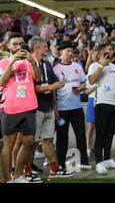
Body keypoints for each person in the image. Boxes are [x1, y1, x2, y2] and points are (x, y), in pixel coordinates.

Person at [29, 36, 73, 178]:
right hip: (35, 108)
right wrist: (51, 86)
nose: (47, 49)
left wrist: (54, 106)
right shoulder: (28, 64)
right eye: (44, 47)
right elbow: (33, 88)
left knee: (47, 140)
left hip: (48, 107)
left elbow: (54, 85)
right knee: (31, 142)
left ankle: (55, 169)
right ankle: (26, 171)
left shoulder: (47, 63)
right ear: (36, 48)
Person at [0, 33, 41, 182]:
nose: (18, 47)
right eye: (15, 44)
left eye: (21, 43)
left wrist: (34, 63)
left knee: (29, 142)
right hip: (11, 107)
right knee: (8, 144)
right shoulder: (4, 62)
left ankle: (17, 176)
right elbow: (2, 82)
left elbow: (37, 79)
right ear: (8, 46)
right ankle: (6, 179)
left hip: (29, 105)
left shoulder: (31, 61)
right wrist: (12, 62)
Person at [53, 41, 91, 172]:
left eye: (71, 51)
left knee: (81, 135)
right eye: (67, 51)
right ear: (60, 53)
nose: (70, 53)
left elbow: (84, 83)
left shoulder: (78, 67)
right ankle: (61, 164)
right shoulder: (56, 69)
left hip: (77, 108)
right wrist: (55, 109)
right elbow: (52, 90)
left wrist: (81, 87)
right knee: (62, 137)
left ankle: (84, 161)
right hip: (62, 109)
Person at [87, 43, 115, 175]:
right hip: (101, 103)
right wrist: (101, 65)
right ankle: (99, 162)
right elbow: (91, 81)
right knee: (100, 134)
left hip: (114, 105)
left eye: (112, 50)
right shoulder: (94, 65)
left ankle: (107, 159)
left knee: (110, 133)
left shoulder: (114, 67)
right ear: (101, 52)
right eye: (109, 49)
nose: (111, 51)